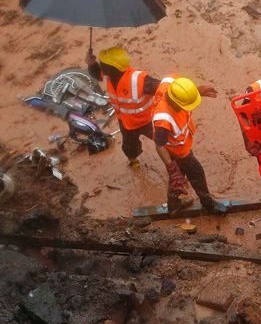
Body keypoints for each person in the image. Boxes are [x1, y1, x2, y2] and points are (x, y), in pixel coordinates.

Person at [151, 75, 222, 212]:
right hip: (178, 151)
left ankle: (173, 206)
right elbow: (159, 145)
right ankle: (208, 203)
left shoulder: (171, 82)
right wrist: (172, 168)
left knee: (177, 178)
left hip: (181, 146)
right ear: (174, 102)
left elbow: (183, 90)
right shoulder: (163, 119)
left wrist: (197, 91)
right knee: (196, 173)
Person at [86, 47, 159, 168]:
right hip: (126, 123)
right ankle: (133, 160)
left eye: (102, 64)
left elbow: (162, 87)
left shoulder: (140, 80)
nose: (101, 66)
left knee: (165, 142)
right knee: (129, 147)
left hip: (147, 121)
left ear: (113, 68)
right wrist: (91, 63)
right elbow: (97, 73)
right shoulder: (110, 75)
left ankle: (176, 163)